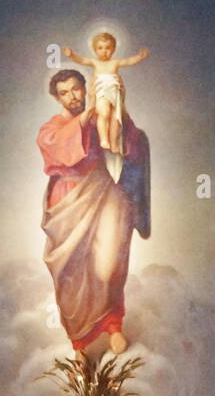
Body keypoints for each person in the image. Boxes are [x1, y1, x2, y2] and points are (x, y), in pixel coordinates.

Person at [36, 68, 149, 356]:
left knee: (109, 263)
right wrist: (86, 118)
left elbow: (132, 144)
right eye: (65, 93)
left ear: (85, 89)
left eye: (76, 89)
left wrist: (119, 105)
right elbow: (57, 148)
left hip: (102, 189)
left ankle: (113, 325)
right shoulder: (52, 127)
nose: (72, 97)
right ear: (57, 97)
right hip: (68, 199)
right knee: (71, 272)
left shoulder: (103, 117)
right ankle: (79, 344)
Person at [62, 33, 149, 180]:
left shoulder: (114, 63)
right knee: (104, 113)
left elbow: (128, 61)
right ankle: (104, 139)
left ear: (113, 49)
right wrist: (71, 55)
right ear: (95, 50)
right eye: (100, 48)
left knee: (116, 118)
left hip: (114, 91)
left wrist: (140, 57)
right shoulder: (95, 63)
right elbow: (81, 59)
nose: (104, 51)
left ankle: (114, 143)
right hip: (101, 90)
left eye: (108, 48)